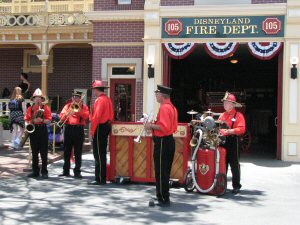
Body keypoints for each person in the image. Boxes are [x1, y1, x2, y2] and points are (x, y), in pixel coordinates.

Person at [145, 85, 178, 207]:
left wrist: (150, 126)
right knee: (164, 171)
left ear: (162, 95)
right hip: (168, 141)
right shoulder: (172, 107)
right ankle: (162, 195)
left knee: (161, 171)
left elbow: (164, 128)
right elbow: (171, 127)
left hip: (163, 142)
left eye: (157, 93)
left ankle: (163, 198)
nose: (156, 95)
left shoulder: (164, 108)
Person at [218, 92, 246, 194]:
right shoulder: (222, 115)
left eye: (227, 103)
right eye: (224, 103)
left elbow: (242, 129)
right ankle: (222, 184)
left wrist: (230, 131)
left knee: (234, 164)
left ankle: (236, 185)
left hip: (233, 141)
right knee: (222, 163)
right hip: (223, 141)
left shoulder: (238, 115)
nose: (225, 105)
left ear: (233, 104)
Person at [58, 91, 89, 178]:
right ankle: (66, 171)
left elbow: (86, 116)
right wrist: (68, 112)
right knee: (67, 151)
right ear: (72, 98)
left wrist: (79, 111)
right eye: (74, 97)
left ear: (80, 99)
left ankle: (77, 171)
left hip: (79, 130)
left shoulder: (84, 107)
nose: (75, 99)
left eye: (77, 97)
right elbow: (61, 117)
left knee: (78, 152)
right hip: (68, 129)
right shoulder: (67, 106)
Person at [88, 80, 114, 185]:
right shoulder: (108, 99)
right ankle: (101, 177)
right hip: (106, 126)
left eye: (94, 89)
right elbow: (111, 114)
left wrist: (92, 131)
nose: (93, 92)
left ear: (96, 89)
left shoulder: (99, 100)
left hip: (100, 127)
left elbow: (97, 117)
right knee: (102, 153)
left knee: (98, 153)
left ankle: (99, 178)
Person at [24, 88, 52, 179]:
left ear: (42, 99)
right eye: (36, 97)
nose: (38, 99)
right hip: (33, 131)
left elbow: (49, 121)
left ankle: (44, 172)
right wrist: (33, 121)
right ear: (33, 99)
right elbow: (26, 121)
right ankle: (35, 171)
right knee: (34, 153)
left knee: (44, 153)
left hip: (43, 130)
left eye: (40, 98)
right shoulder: (30, 108)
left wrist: (42, 120)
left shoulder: (46, 108)